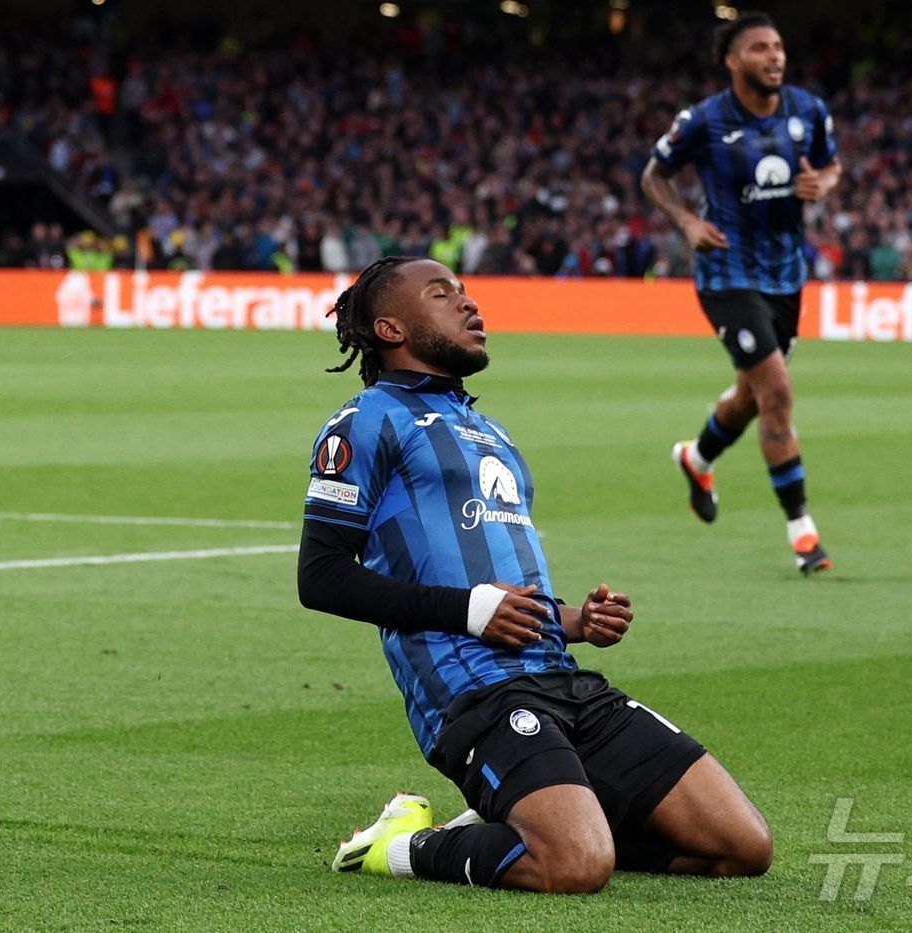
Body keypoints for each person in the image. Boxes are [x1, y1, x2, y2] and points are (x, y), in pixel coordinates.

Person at [298, 256, 773, 893]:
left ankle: (531, 814)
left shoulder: (487, 430)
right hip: (475, 694)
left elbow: (497, 578)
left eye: (465, 291)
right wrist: (470, 611)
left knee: (743, 847)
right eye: (442, 295)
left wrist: (571, 619)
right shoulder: (365, 422)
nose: (469, 304)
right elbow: (321, 577)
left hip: (561, 678)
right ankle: (397, 845)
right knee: (575, 865)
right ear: (390, 330)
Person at [641, 12, 841, 574]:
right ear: (732, 60)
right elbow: (653, 175)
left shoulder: (808, 110)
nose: (774, 56)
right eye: (759, 48)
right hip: (726, 273)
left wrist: (822, 183)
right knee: (777, 390)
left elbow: (832, 166)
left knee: (752, 396)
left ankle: (697, 456)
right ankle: (804, 534)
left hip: (786, 277)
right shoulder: (703, 120)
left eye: (778, 46)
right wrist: (685, 221)